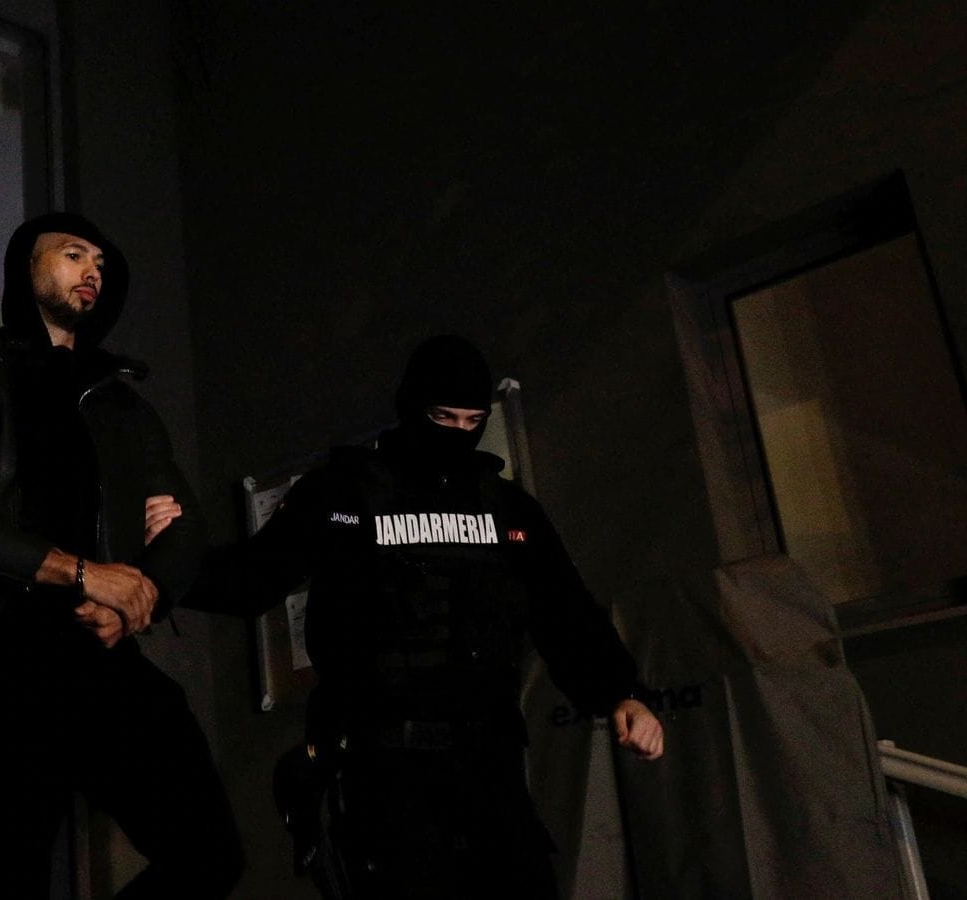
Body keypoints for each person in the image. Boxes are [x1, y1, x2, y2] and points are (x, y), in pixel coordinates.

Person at [183, 335, 664, 899]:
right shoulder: (346, 492)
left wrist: (621, 693)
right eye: (442, 417)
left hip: (489, 764)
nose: (458, 432)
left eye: (472, 421)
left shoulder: (506, 508)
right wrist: (158, 574)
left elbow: (566, 612)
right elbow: (253, 576)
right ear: (413, 408)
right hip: (382, 768)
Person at [0, 212, 244, 898]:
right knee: (11, 884)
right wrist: (85, 572)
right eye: (73, 255)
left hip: (99, 654)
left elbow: (183, 524)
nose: (92, 272)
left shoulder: (120, 405)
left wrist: (140, 597)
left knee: (209, 854)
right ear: (26, 266)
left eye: (101, 265)